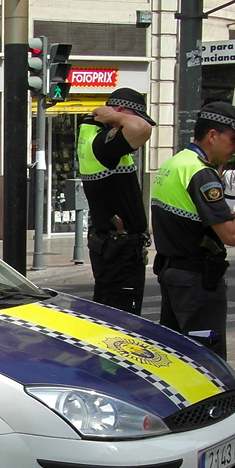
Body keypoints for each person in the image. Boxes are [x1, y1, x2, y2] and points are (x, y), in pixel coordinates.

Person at [150, 101, 235, 358]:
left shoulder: (175, 163)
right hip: (198, 283)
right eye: (233, 139)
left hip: (174, 275)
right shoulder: (201, 173)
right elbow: (231, 235)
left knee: (178, 357)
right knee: (207, 362)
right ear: (212, 136)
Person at [76, 87, 154, 315]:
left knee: (108, 311)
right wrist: (117, 117)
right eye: (133, 115)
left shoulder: (94, 136)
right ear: (120, 110)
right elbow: (142, 129)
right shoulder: (103, 141)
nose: (134, 121)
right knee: (122, 319)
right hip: (120, 250)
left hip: (112, 245)